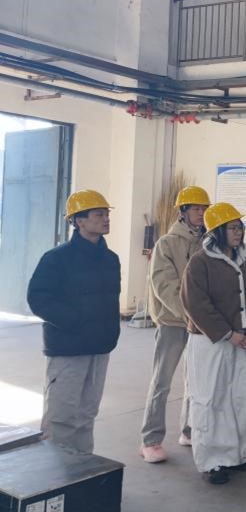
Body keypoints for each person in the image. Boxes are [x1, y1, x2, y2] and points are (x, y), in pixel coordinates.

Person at [27, 190, 120, 454]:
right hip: (68, 349)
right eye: (98, 214)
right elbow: (38, 298)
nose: (106, 219)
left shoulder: (110, 259)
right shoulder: (56, 259)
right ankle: (54, 472)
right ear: (79, 221)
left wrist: (110, 333)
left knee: (86, 414)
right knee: (61, 417)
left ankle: (82, 471)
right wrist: (74, 321)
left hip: (100, 348)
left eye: (107, 214)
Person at [180, 202, 246, 485]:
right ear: (216, 231)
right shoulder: (200, 262)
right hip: (211, 342)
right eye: (231, 228)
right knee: (210, 399)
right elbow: (196, 304)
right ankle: (212, 461)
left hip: (243, 341)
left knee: (241, 397)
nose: (238, 232)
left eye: (240, 227)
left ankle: (239, 454)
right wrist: (228, 333)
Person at [140, 185, 210, 463]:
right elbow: (164, 286)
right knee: (162, 381)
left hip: (200, 324)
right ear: (183, 212)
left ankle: (189, 430)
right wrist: (189, 315)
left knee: (196, 380)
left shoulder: (208, 243)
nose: (201, 213)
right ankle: (150, 440)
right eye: (196, 209)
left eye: (204, 209)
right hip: (173, 321)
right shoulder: (166, 244)